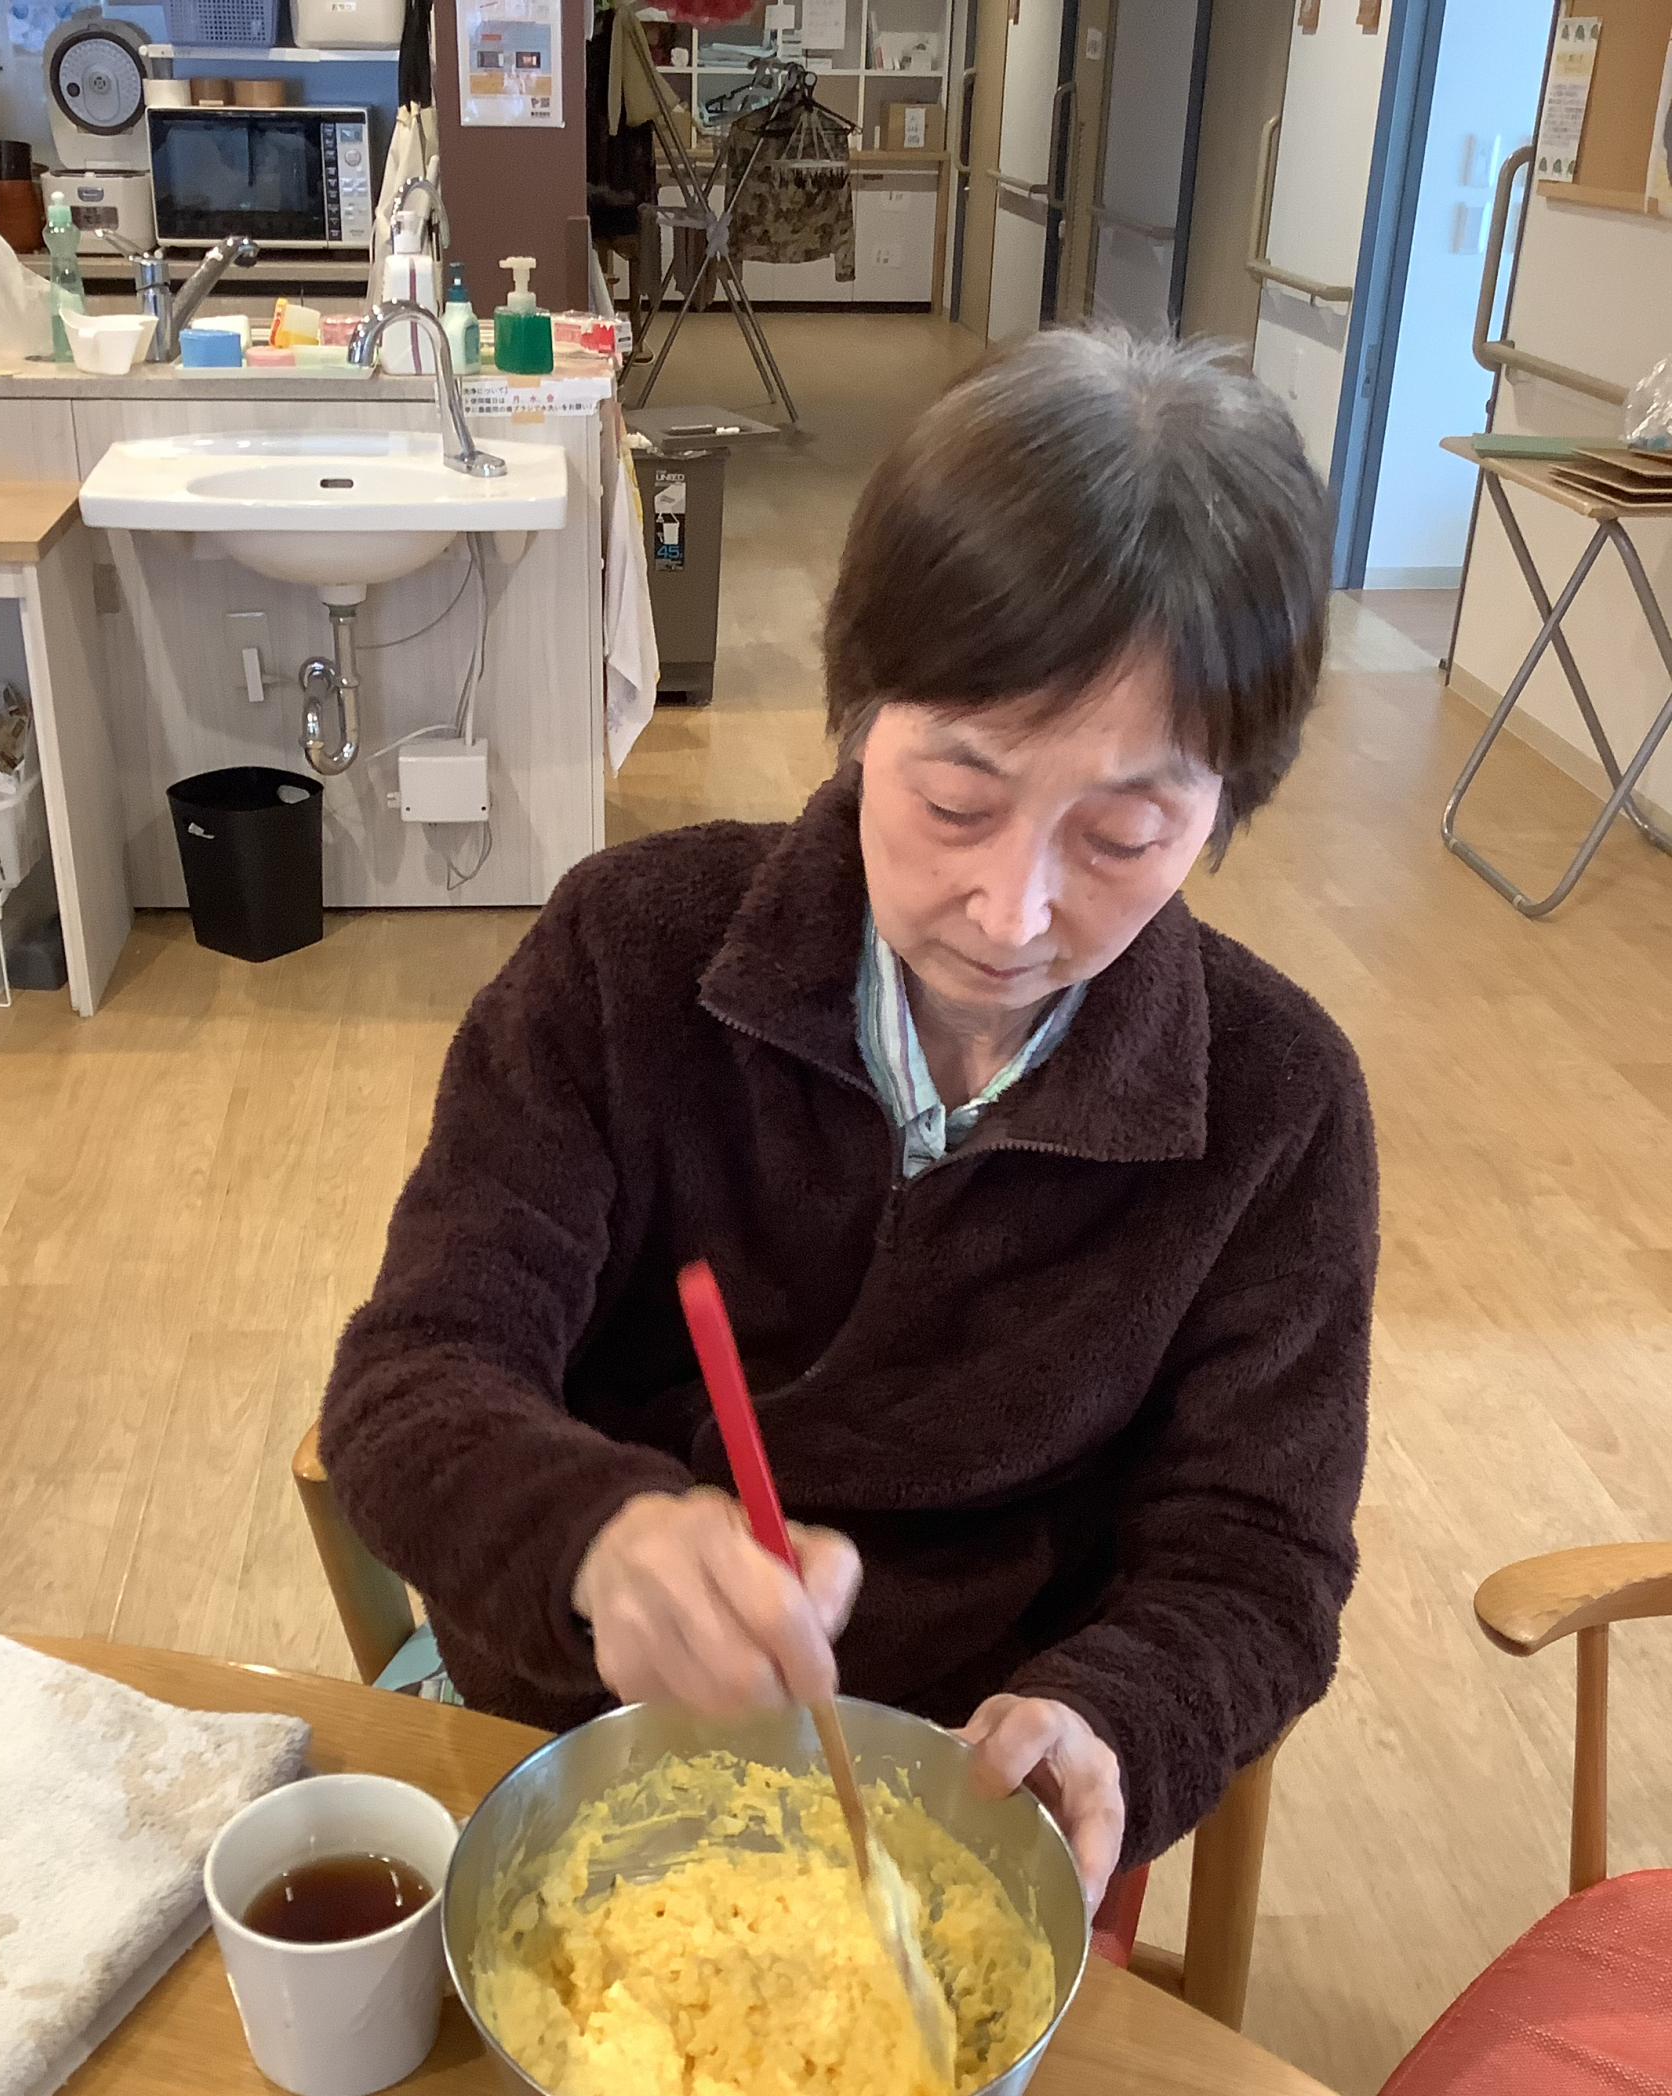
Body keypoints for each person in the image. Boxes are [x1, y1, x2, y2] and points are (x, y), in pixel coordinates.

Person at [321, 327, 1378, 1915]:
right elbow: (413, 1380)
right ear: (861, 710)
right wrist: (598, 1543)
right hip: (586, 1732)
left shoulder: (1276, 1101)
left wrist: (1111, 1721)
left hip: (966, 1813)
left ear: (1229, 802)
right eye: (956, 801)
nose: (1012, 911)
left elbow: (1256, 1560)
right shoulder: (630, 954)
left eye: (1123, 834)